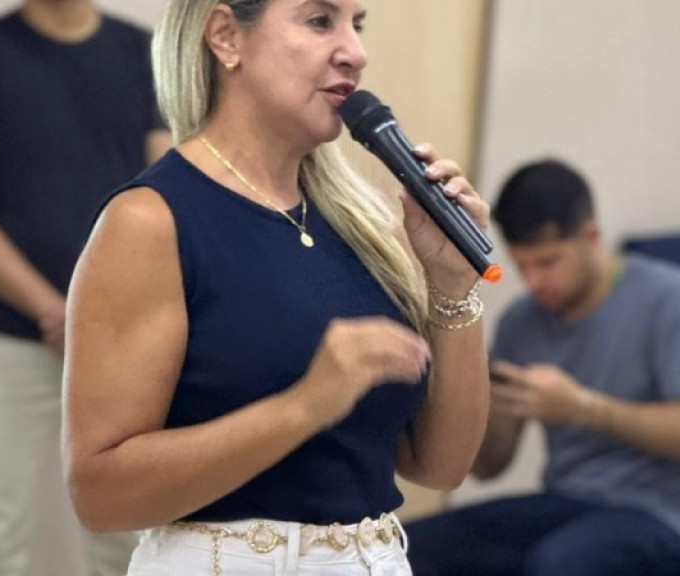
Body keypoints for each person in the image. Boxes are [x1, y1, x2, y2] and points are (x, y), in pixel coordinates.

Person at [60, 0, 491, 575]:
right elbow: (100, 496)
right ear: (225, 36)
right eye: (319, 21)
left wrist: (451, 284)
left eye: (357, 24)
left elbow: (439, 467)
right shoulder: (150, 221)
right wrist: (305, 406)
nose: (355, 53)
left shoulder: (361, 225)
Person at [0, 0, 172, 574]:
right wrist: (57, 313)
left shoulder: (145, 54)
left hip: (125, 344)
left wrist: (101, 315)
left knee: (133, 542)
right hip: (10, 336)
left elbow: (169, 193)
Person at [405, 159, 680, 576]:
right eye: (522, 266)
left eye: (547, 263)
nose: (533, 282)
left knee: (557, 564)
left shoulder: (673, 300)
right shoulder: (522, 322)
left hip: (672, 516)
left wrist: (581, 407)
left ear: (591, 237)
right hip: (569, 504)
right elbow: (489, 466)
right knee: (410, 551)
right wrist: (477, 401)